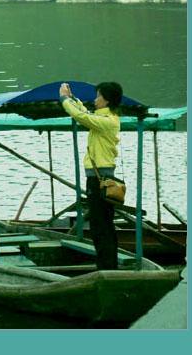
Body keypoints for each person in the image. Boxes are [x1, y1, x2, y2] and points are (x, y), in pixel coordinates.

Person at [59, 81, 123, 270]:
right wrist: (73, 99)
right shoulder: (104, 119)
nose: (95, 100)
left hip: (100, 180)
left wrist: (64, 99)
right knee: (104, 224)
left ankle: (106, 268)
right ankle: (108, 266)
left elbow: (81, 116)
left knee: (99, 227)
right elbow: (86, 113)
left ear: (107, 99)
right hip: (102, 178)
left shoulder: (107, 121)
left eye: (98, 96)